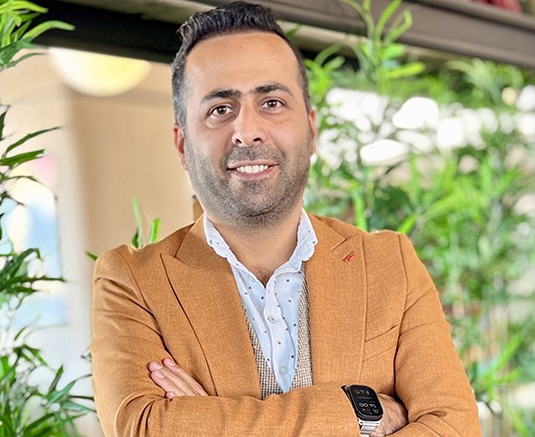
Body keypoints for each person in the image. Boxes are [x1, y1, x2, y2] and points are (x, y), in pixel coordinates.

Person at [89, 2, 481, 436]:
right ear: (182, 144)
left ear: (311, 130)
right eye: (220, 109)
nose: (247, 131)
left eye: (272, 102)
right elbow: (145, 428)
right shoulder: (133, 282)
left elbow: (455, 428)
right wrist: (358, 411)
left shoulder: (390, 263)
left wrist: (205, 418)